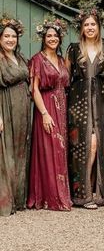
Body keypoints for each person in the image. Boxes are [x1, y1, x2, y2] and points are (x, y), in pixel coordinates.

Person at [66, 8, 104, 209]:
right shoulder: (74, 49)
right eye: (86, 25)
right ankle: (82, 195)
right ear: (82, 28)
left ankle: (99, 193)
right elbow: (66, 79)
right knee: (81, 147)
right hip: (79, 105)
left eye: (93, 24)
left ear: (99, 26)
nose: (90, 27)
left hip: (102, 104)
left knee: (99, 146)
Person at [27, 16, 72, 211]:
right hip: (46, 106)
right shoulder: (37, 60)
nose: (52, 38)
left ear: (60, 38)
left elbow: (66, 85)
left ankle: (61, 194)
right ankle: (49, 196)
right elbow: (34, 89)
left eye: (55, 35)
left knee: (60, 150)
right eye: (48, 36)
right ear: (43, 38)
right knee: (49, 150)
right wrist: (44, 113)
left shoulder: (62, 60)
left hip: (62, 106)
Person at [0, 15, 30, 216]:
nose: (10, 39)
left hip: (23, 109)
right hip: (5, 106)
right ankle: (4, 201)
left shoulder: (20, 58)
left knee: (20, 152)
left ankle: (18, 199)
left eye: (13, 36)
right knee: (5, 153)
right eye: (6, 36)